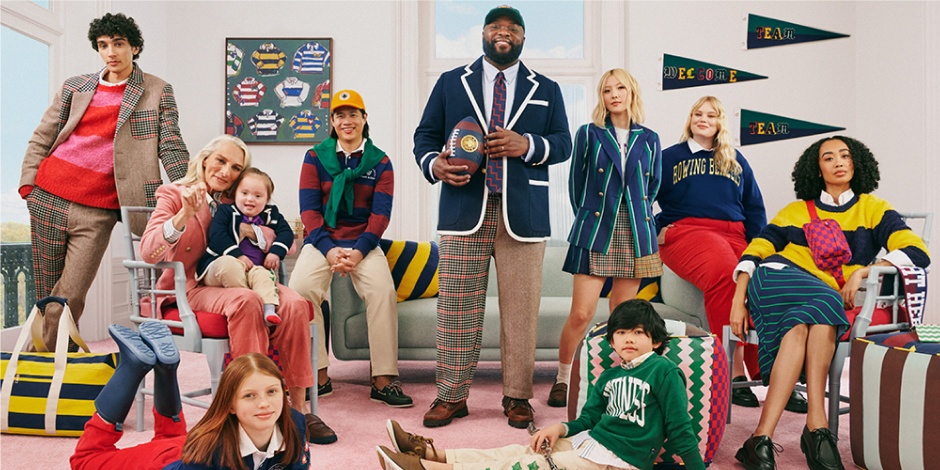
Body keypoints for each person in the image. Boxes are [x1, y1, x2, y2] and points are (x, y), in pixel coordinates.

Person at [413, 4, 571, 429]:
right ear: (483, 34)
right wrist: (434, 164)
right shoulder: (451, 83)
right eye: (496, 28)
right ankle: (451, 395)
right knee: (457, 307)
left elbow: (563, 143)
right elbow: (425, 136)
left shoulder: (548, 88)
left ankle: (518, 397)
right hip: (464, 208)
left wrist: (527, 145)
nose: (504, 34)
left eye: (513, 29)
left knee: (522, 309)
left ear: (523, 37)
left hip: (524, 214)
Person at [729, 136, 930, 469]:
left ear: (856, 163)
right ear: (816, 168)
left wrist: (865, 270)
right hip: (776, 277)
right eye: (828, 157)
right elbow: (756, 253)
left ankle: (759, 439)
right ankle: (818, 427)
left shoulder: (873, 209)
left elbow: (916, 252)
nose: (838, 162)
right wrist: (739, 299)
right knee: (827, 301)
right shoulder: (795, 211)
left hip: (816, 298)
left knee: (809, 322)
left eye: (845, 155)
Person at [139, 135, 336, 445]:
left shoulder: (241, 201)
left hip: (245, 275)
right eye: (220, 161)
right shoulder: (174, 194)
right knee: (245, 301)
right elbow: (147, 253)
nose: (226, 171)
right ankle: (250, 411)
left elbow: (276, 232)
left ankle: (298, 411)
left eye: (235, 167)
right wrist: (183, 216)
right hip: (193, 286)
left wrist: (256, 231)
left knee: (296, 303)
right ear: (204, 159)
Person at [19, 12, 189, 351]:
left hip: (100, 210)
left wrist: (190, 188)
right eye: (103, 45)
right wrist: (28, 185)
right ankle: (49, 373)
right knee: (46, 294)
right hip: (49, 197)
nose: (111, 52)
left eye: (119, 44)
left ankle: (42, 368)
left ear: (135, 47)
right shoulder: (75, 86)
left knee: (69, 296)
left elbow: (170, 145)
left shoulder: (156, 91)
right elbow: (43, 135)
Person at [376, 300, 706, 470]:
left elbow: (680, 429)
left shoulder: (663, 371)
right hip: (589, 443)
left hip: (617, 462)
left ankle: (426, 468)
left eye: (638, 332)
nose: (629, 339)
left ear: (656, 340)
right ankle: (432, 452)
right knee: (518, 450)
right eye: (621, 333)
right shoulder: (609, 377)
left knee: (525, 466)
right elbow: (587, 422)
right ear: (612, 341)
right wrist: (558, 429)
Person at [653, 96, 808, 413]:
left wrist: (760, 249)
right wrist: (655, 227)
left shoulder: (736, 160)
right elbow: (642, 197)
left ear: (721, 122)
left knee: (765, 281)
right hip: (689, 231)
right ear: (689, 119)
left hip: (736, 233)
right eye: (697, 113)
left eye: (711, 114)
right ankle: (732, 370)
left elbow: (754, 207)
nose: (703, 118)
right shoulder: (668, 157)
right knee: (729, 275)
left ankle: (773, 372)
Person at [289, 89, 412, 408]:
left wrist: (358, 251)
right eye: (340, 115)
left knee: (383, 292)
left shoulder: (381, 161)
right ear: (332, 122)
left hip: (363, 242)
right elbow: (309, 211)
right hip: (322, 241)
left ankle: (383, 379)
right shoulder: (315, 158)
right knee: (301, 289)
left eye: (353, 114)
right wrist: (329, 250)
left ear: (364, 119)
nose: (347, 121)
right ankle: (317, 375)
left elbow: (380, 215)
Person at [549, 68, 662, 409]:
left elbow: (652, 186)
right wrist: (590, 217)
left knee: (624, 316)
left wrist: (636, 214)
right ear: (601, 97)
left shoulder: (650, 138)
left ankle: (617, 380)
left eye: (620, 88)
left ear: (632, 92)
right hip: (597, 226)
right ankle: (563, 378)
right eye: (607, 90)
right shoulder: (589, 133)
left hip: (637, 231)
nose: (614, 94)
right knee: (582, 314)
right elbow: (576, 185)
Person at [70, 322, 309, 470]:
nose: (265, 403)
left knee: (170, 436)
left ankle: (166, 367)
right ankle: (132, 366)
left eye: (272, 391)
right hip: (165, 463)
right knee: (85, 461)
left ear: (283, 391)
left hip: (192, 447)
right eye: (249, 396)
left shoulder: (295, 424)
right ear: (231, 406)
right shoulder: (206, 453)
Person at [198, 167, 294, 326]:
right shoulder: (226, 211)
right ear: (235, 194)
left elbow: (286, 233)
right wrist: (238, 255)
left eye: (258, 196)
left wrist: (275, 253)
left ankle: (269, 309)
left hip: (255, 268)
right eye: (244, 193)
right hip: (224, 263)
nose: (250, 199)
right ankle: (251, 303)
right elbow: (217, 235)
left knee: (264, 275)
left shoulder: (271, 214)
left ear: (267, 199)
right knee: (229, 266)